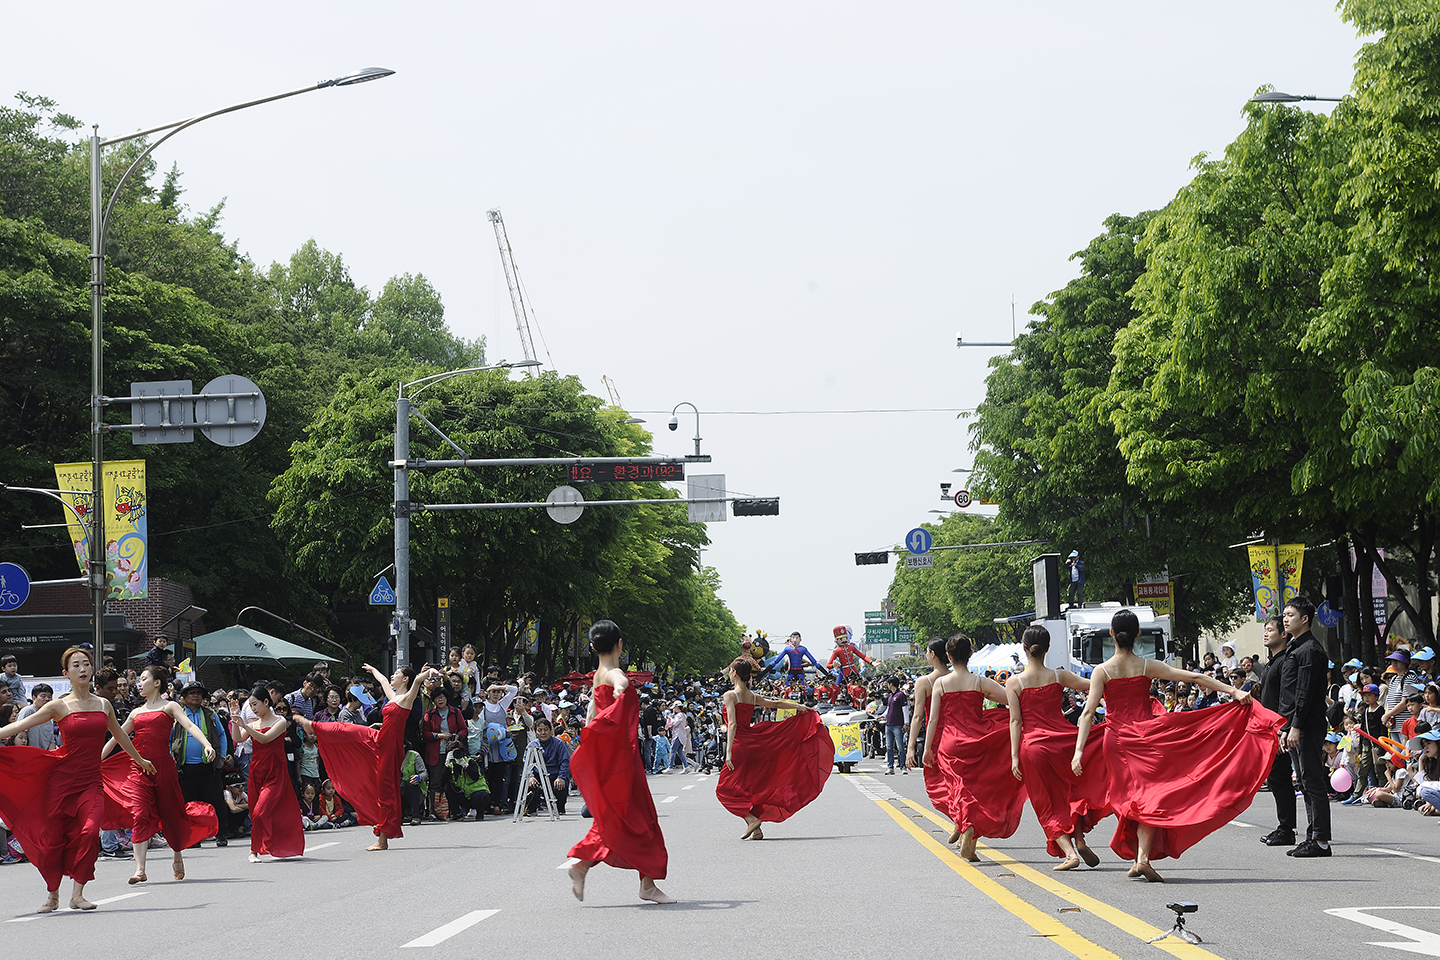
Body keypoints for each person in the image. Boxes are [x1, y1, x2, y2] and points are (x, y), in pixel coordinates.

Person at [1072, 609, 1282, 882]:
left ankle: (1140, 858)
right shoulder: (1147, 666)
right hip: (1146, 738)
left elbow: (1088, 713)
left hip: (1115, 741)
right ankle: (1142, 857)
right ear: (1138, 634)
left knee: (1132, 797)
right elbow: (1194, 678)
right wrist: (1232, 690)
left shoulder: (1101, 671)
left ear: (1112, 634)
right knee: (1151, 794)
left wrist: (1078, 751)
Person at [0, 646, 155, 913]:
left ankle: (78, 893)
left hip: (91, 782)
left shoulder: (103, 704)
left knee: (89, 831)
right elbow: (19, 726)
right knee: (53, 840)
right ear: (66, 673)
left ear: (91, 669)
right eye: (76, 665)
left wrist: (140, 760)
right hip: (61, 781)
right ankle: (52, 894)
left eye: (86, 663)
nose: (82, 668)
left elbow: (119, 736)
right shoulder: (59, 705)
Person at [567, 619, 673, 904]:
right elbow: (620, 680)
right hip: (621, 760)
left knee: (625, 818)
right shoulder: (612, 673)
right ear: (620, 645)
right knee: (637, 819)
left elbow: (591, 715)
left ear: (591, 646)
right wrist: (622, 685)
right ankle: (639, 881)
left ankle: (586, 865)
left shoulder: (597, 675)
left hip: (614, 757)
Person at [292, 663, 437, 851]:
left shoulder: (408, 698)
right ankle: (314, 725)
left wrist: (429, 672)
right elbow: (383, 680)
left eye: (397, 674)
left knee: (384, 791)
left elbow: (418, 680)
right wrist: (373, 670)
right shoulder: (393, 696)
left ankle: (382, 840)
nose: (392, 676)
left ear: (405, 679)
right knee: (346, 729)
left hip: (390, 748)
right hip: (380, 738)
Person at [100, 664, 218, 884]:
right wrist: (97, 759)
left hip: (164, 769)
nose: (139, 683)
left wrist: (207, 744)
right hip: (138, 770)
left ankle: (177, 853)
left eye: (143, 679)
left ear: (156, 683)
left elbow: (190, 726)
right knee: (140, 813)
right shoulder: (135, 712)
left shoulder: (171, 706)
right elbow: (116, 737)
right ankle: (140, 869)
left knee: (171, 815)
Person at [1006, 625, 1109, 870]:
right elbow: (1093, 684)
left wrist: (1013, 757)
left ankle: (1070, 853)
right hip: (1064, 741)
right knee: (1074, 792)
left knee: (1046, 802)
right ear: (1048, 649)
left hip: (1033, 748)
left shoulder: (1014, 683)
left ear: (1024, 648)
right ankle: (1081, 838)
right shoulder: (1059, 676)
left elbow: (1016, 721)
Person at [922, 633, 1026, 860]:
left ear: (948, 656)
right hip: (976, 741)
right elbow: (1010, 698)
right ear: (970, 654)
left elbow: (932, 720)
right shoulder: (979, 682)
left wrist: (927, 747)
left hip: (949, 744)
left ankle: (965, 827)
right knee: (976, 791)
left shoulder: (940, 683)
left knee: (957, 789)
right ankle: (970, 832)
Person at [716, 657, 832, 840]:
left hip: (739, 745)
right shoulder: (752, 696)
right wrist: (799, 707)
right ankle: (757, 830)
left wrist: (728, 751)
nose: (729, 674)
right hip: (753, 744)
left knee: (725, 790)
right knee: (751, 786)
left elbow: (732, 724)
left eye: (730, 671)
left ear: (735, 674)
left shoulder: (730, 695)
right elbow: (776, 703)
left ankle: (751, 818)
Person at [1278, 596, 1333, 858]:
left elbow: (1305, 693)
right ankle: (1313, 836)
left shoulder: (1309, 650)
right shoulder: (1295, 648)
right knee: (1303, 780)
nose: (1285, 619)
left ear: (1305, 619)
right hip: (1295, 725)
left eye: (1290, 615)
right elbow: (1287, 696)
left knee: (1312, 781)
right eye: (1284, 615)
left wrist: (1296, 727)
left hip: (1308, 726)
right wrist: (1284, 727)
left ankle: (1321, 840)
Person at [229, 685, 306, 863]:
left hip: (275, 772)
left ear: (266, 702)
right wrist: (235, 721)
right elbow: (238, 739)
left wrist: (245, 726)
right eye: (250, 705)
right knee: (256, 812)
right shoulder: (253, 724)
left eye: (255, 704)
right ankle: (253, 851)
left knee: (260, 812)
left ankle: (269, 845)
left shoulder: (279, 722)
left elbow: (263, 739)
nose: (253, 708)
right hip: (257, 772)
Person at [1254, 615, 1297, 846]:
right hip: (1269, 728)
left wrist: (1284, 728)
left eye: (1271, 630)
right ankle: (1284, 826)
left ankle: (1287, 829)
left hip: (1280, 729)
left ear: (1283, 634)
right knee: (1277, 779)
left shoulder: (1285, 662)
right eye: (1265, 629)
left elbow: (1286, 699)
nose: (1266, 633)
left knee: (1281, 779)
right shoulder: (1271, 662)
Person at [906, 638, 950, 773]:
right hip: (957, 733)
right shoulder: (957, 678)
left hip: (935, 735)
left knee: (938, 783)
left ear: (933, 654)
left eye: (926, 652)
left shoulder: (924, 682)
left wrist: (910, 747)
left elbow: (918, 717)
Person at [525, 719, 572, 816]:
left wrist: (561, 777)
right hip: (539, 776)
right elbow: (526, 764)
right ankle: (531, 808)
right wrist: (531, 776)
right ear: (536, 732)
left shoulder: (559, 744)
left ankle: (560, 807)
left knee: (561, 784)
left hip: (555, 775)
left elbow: (565, 762)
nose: (543, 733)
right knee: (529, 782)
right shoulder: (531, 746)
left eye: (546, 730)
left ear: (550, 730)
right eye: (540, 730)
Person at [16, 683, 59, 750]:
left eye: (49, 697)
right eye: (43, 696)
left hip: (43, 755)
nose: (47, 699)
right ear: (34, 698)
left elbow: (51, 741)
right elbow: (19, 734)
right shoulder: (27, 711)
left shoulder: (50, 716)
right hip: (28, 753)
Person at [883, 677, 909, 774]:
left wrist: (906, 723)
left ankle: (903, 766)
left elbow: (905, 709)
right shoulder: (890, 696)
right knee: (889, 746)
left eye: (888, 683)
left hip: (898, 724)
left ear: (891, 684)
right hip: (889, 724)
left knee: (900, 747)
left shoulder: (901, 695)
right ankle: (890, 767)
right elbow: (888, 709)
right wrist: (882, 716)